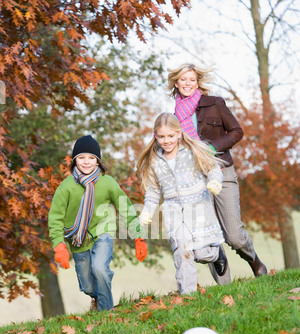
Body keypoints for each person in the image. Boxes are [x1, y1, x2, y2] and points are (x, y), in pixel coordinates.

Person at [167, 63, 267, 283]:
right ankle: (225, 290)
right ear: (176, 82)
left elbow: (237, 131)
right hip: (195, 180)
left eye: (192, 80)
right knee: (209, 236)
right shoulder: (173, 116)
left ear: (197, 82)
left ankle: (255, 262)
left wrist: (212, 148)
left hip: (222, 171)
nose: (187, 84)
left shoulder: (215, 104)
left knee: (234, 235)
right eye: (183, 80)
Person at [48, 135, 148, 311]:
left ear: (98, 161)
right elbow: (55, 217)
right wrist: (59, 245)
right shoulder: (66, 187)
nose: (86, 162)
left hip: (103, 231)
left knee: (100, 268)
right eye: (81, 157)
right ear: (74, 160)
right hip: (78, 239)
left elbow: (125, 208)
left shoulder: (107, 183)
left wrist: (138, 236)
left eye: (91, 158)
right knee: (87, 286)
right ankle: (97, 297)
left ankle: (107, 314)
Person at [137, 112, 228, 295]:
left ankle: (217, 253)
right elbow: (154, 192)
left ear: (179, 133)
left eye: (171, 136)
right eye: (161, 137)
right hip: (174, 212)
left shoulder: (193, 150)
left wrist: (215, 181)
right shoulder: (154, 161)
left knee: (201, 254)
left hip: (198, 208)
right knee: (182, 250)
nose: (166, 141)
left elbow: (212, 168)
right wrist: (147, 211)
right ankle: (187, 296)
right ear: (155, 136)